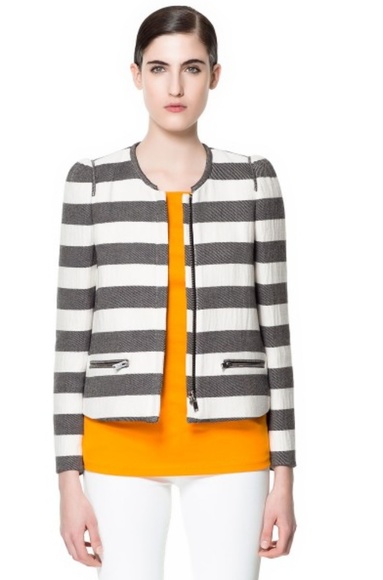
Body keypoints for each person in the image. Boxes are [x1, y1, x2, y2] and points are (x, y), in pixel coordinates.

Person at [53, 5, 297, 579]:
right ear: (136, 74)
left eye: (192, 67)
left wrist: (284, 475)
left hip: (234, 443)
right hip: (117, 446)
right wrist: (68, 479)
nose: (176, 86)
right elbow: (71, 336)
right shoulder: (92, 183)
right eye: (159, 68)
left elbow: (277, 333)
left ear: (215, 74)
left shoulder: (252, 180)